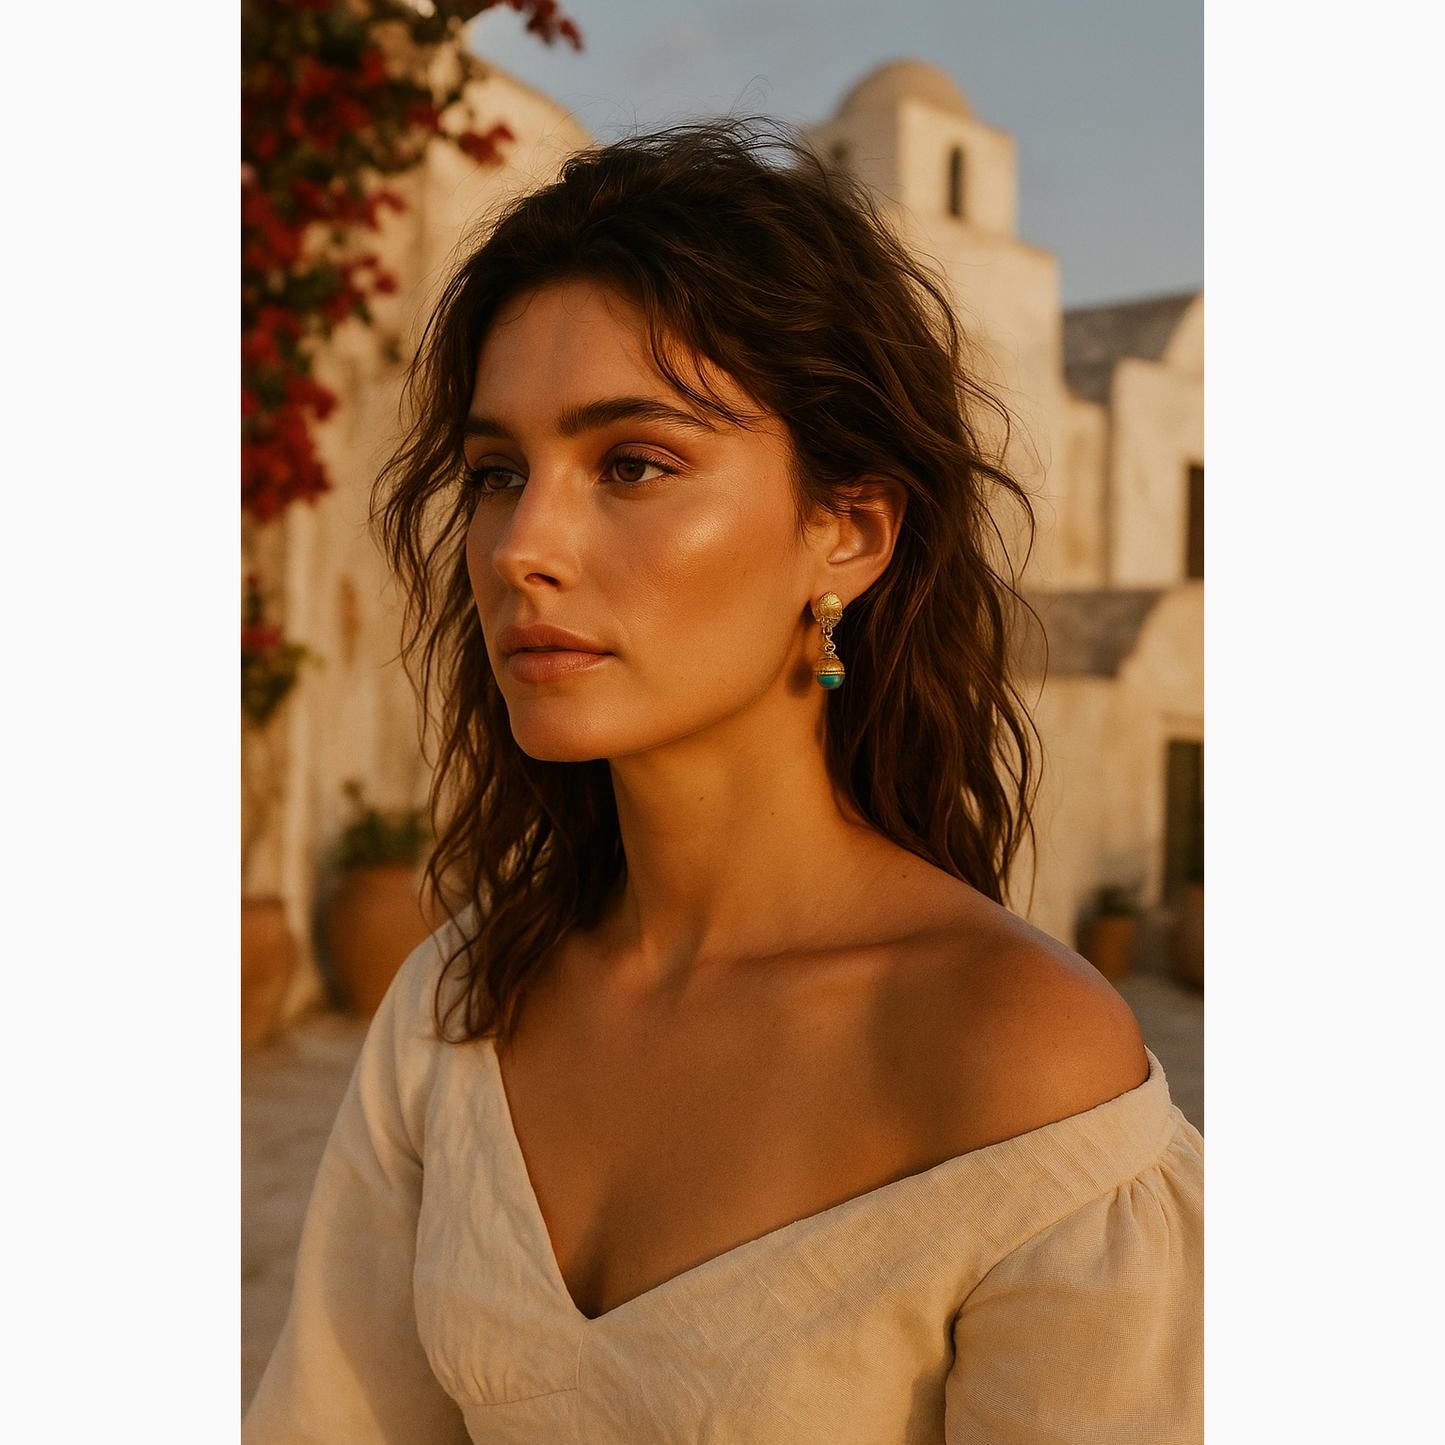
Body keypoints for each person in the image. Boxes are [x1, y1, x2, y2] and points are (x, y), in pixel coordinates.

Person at [243, 122, 1202, 1444]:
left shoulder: (1017, 1066)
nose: (523, 546)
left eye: (631, 463)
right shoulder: (458, 1011)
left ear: (847, 533)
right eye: (495, 473)